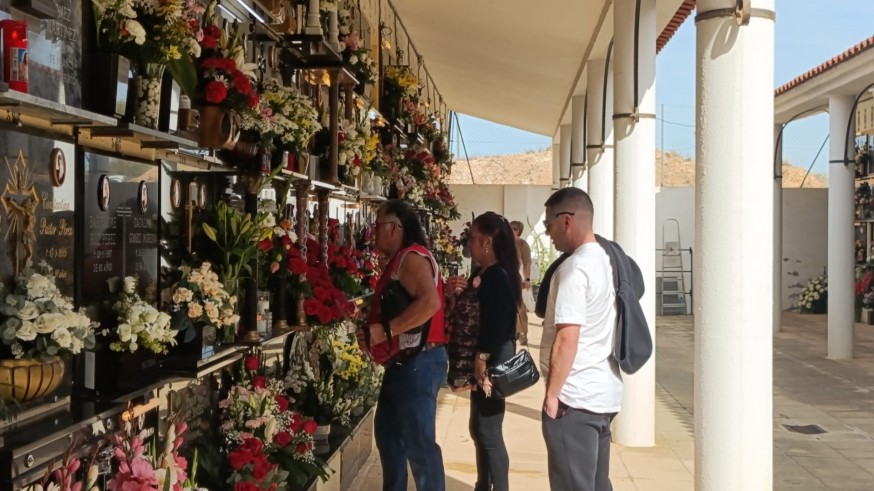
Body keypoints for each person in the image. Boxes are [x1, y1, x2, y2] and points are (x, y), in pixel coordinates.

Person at [540, 187, 622, 491]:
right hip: (602, 394)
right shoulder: (607, 259)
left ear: (566, 220)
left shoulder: (574, 270)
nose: (548, 233)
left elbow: (567, 339)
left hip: (574, 399)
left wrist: (552, 396)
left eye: (548, 225)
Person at [362, 199, 448, 491]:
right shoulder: (403, 259)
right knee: (389, 437)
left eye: (378, 226)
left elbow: (431, 303)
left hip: (417, 365)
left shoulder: (411, 258)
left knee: (419, 448)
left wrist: (386, 331)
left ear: (396, 228)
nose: (373, 232)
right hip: (405, 365)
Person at [445, 212, 520, 491]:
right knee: (479, 427)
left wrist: (482, 358)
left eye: (474, 239)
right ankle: (483, 484)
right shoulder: (483, 273)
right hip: (484, 361)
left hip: (492, 361)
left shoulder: (497, 275)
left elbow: (498, 322)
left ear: (487, 242)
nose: (470, 245)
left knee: (488, 430)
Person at [510, 220, 532, 345]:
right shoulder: (504, 243)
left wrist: (527, 279)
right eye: (510, 227)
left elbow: (527, 263)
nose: (511, 230)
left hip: (517, 278)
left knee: (520, 306)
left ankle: (523, 332)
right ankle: (513, 331)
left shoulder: (522, 244)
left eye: (514, 228)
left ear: (519, 230)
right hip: (505, 277)